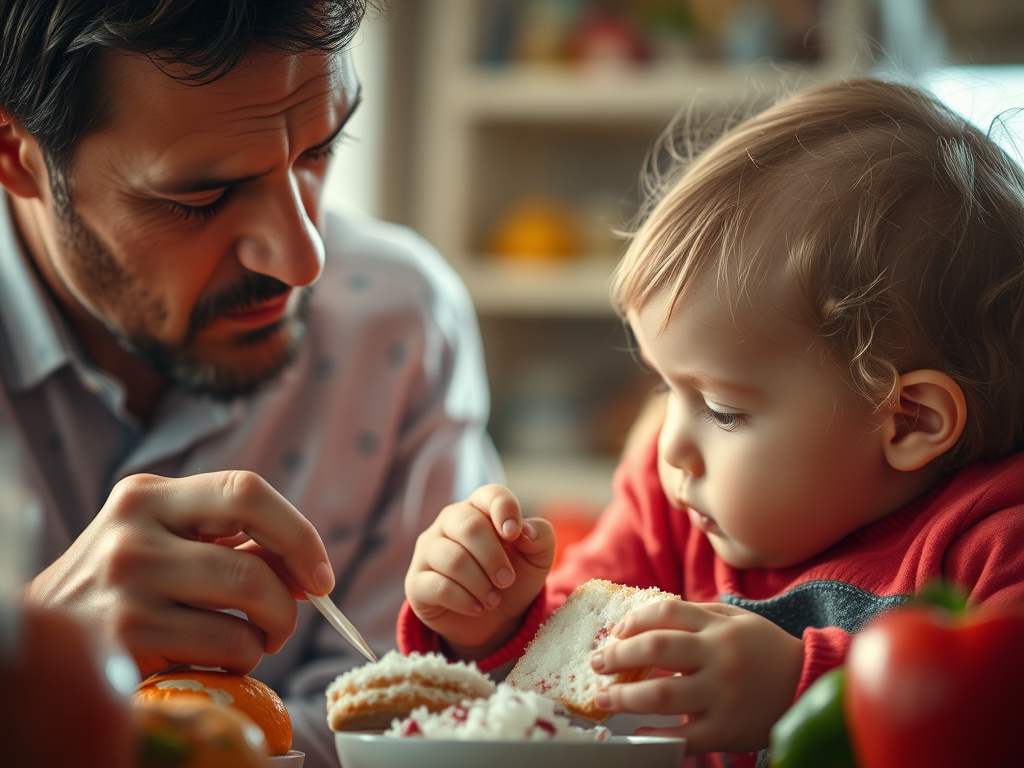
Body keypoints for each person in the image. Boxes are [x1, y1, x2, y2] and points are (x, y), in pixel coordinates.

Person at [400, 76, 1024, 767]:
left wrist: (803, 686)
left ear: (907, 419)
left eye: (723, 410)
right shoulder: (670, 514)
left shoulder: (997, 545)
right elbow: (561, 688)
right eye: (668, 389)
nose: (669, 448)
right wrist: (493, 623)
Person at [0, 1, 499, 765]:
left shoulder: (397, 326)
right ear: (15, 153)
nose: (303, 262)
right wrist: (33, 673)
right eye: (202, 197)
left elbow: (408, 726)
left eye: (320, 151)